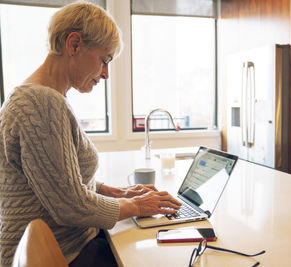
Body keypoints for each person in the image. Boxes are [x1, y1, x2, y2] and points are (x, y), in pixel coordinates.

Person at [0, 2, 181, 267]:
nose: (106, 73)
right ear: (74, 45)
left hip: (68, 245)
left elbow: (55, 179)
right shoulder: (42, 103)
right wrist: (139, 206)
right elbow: (69, 205)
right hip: (59, 254)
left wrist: (113, 191)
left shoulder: (40, 97)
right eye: (104, 60)